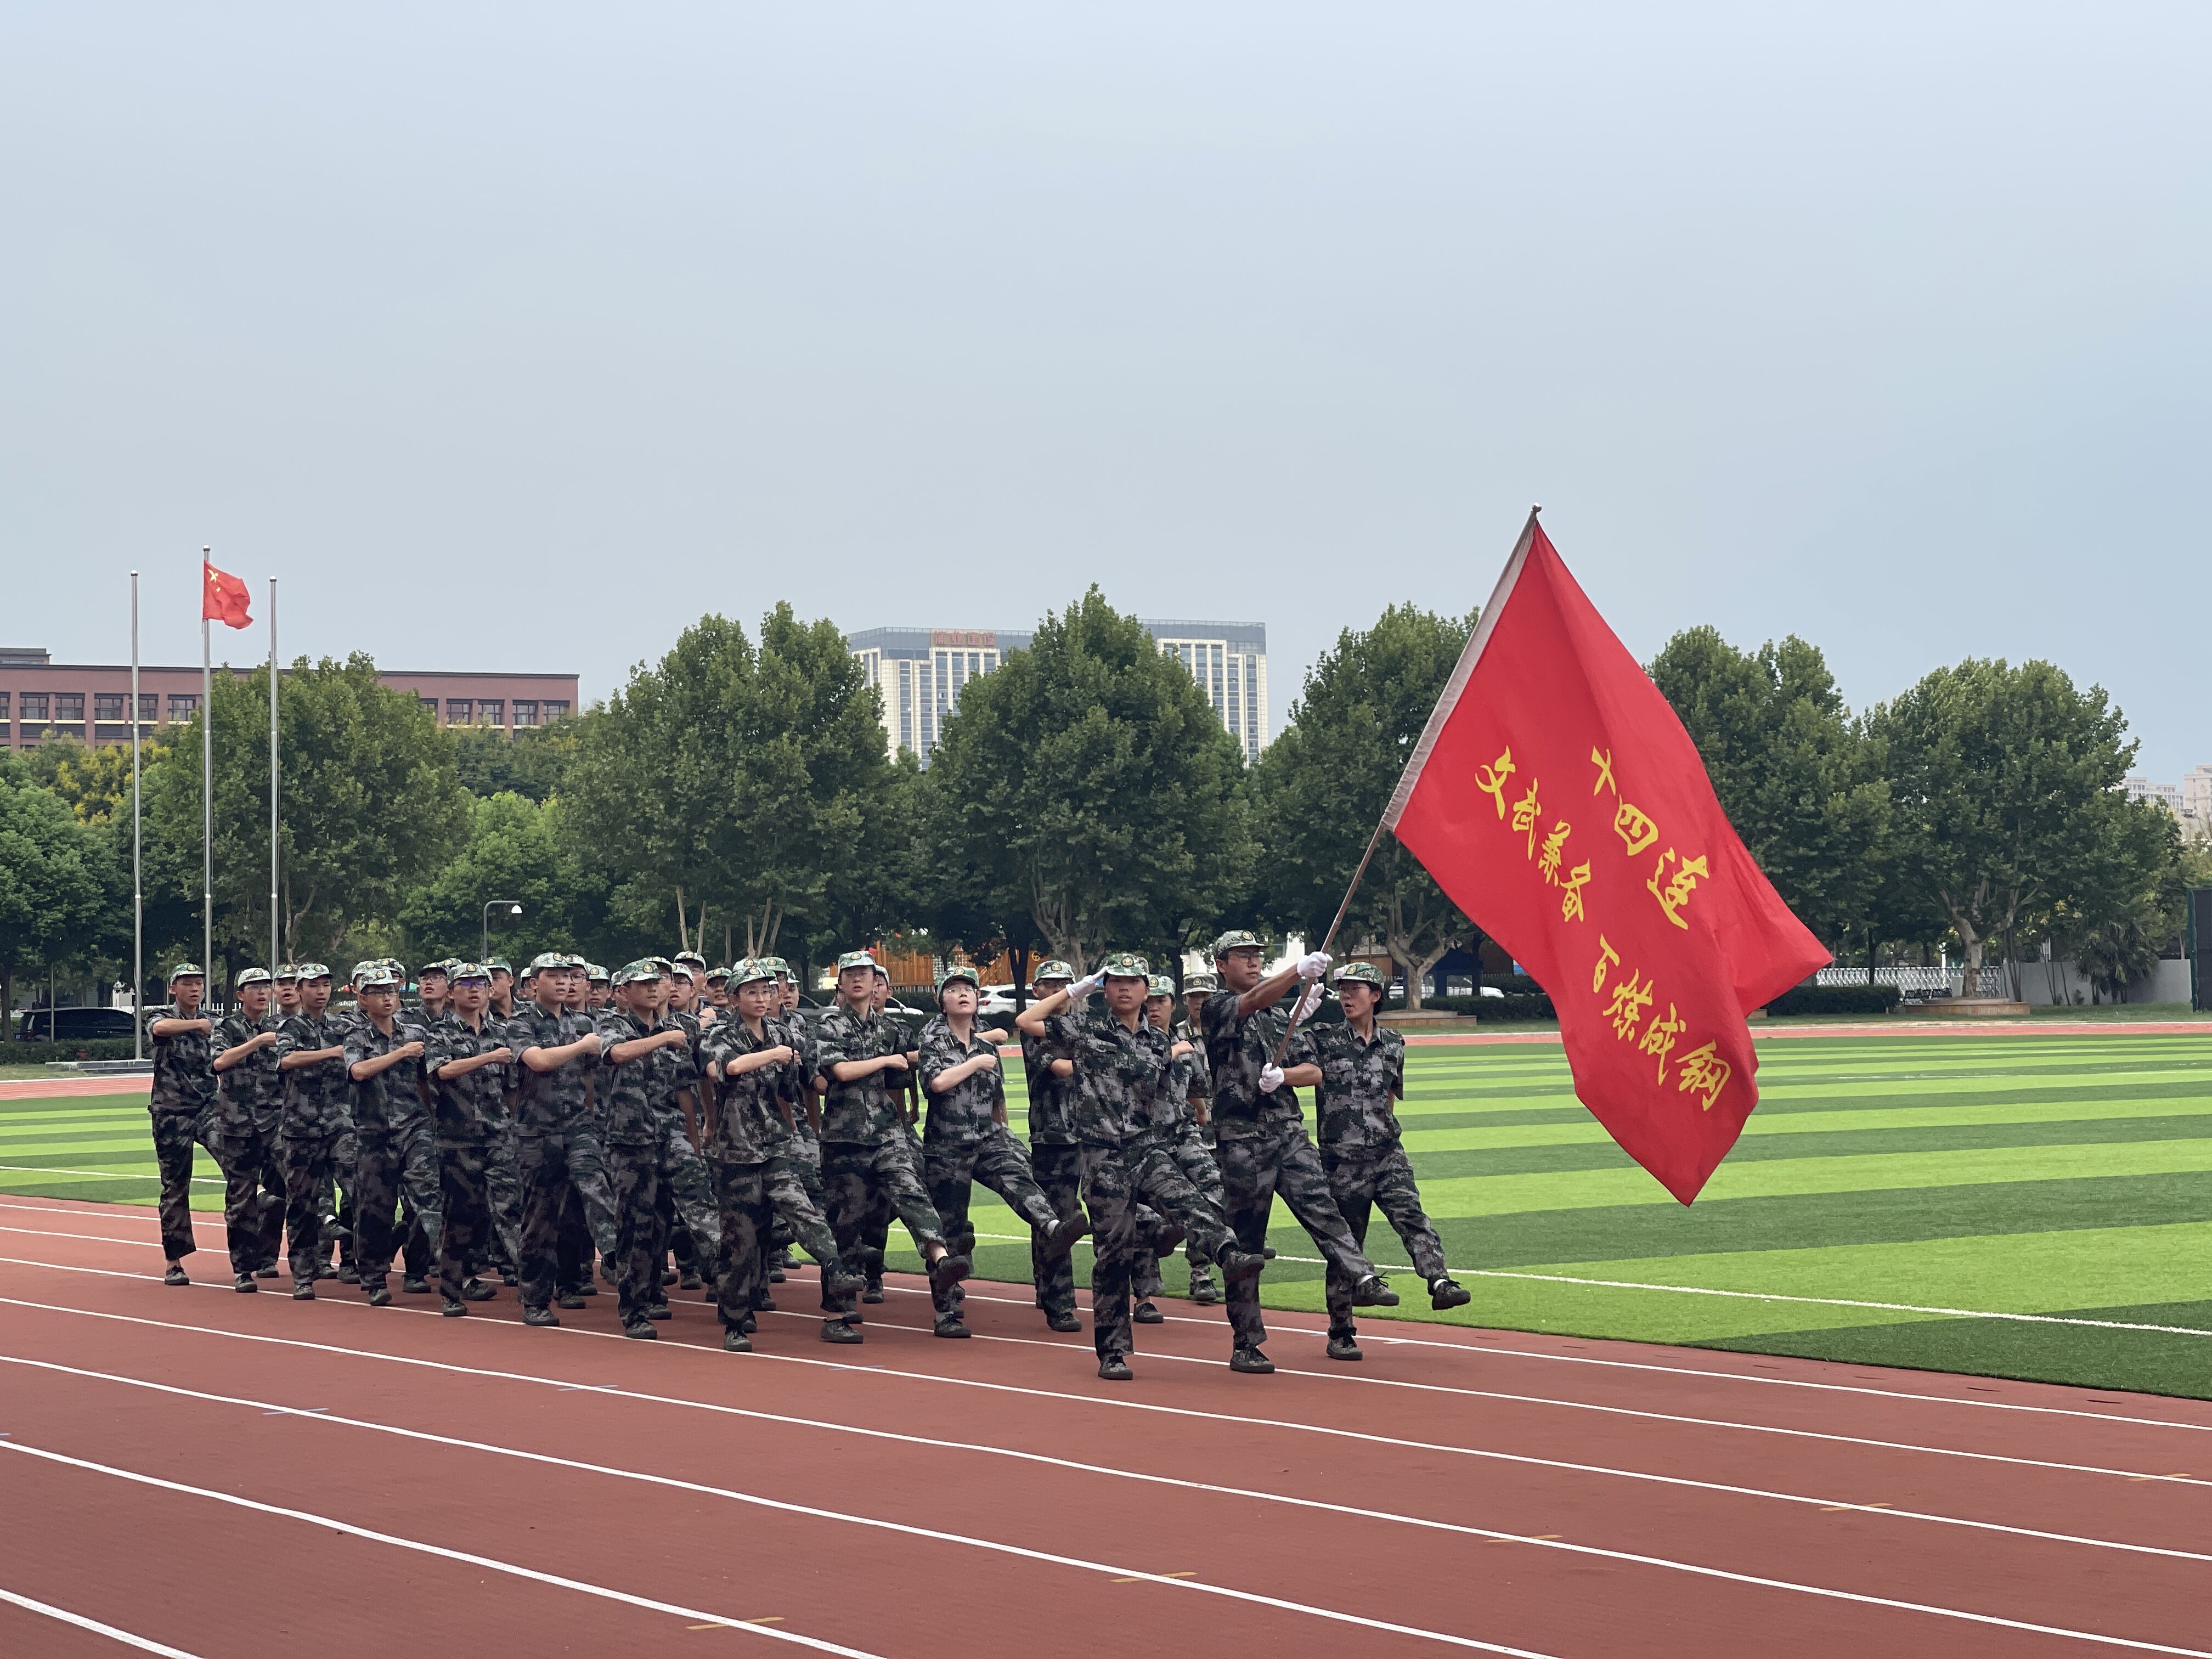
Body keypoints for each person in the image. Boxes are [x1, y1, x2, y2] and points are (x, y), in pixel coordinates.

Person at [1018, 952, 1262, 1381]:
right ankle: (1113, 1352)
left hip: (1147, 1148)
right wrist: (1075, 990)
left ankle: (1228, 1254)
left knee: (1190, 1203)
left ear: (1147, 990)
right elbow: (1026, 1021)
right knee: (1114, 1255)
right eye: (1115, 981)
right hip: (1104, 1156)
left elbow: (1166, 1101)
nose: (1124, 988)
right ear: (1105, 989)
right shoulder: (1086, 1027)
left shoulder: (1158, 1042)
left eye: (1133, 982)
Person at [1200, 932, 1396, 1374]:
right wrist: (1297, 972)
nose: (1253, 962)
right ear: (1222, 965)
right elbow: (1250, 1001)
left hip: (1288, 1132)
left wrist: (1285, 1076)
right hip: (1244, 1139)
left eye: (1257, 956)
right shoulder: (1217, 1007)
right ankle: (1246, 1342)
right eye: (1242, 957)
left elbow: (1315, 1069)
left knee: (1324, 1209)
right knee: (1247, 1246)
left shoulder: (1278, 1019)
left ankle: (1362, 1275)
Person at [703, 961, 866, 1351]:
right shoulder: (720, 1034)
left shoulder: (782, 1033)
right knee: (741, 1243)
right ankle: (735, 1321)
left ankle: (836, 1270)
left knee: (804, 1211)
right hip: (736, 1152)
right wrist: (774, 1055)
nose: (762, 999)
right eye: (752, 992)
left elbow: (796, 1085)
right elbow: (729, 1068)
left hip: (775, 1144)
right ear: (735, 997)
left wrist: (796, 1068)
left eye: (767, 991)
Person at [1310, 963, 1470, 1359]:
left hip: (1386, 1153)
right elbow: (1289, 1053)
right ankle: (1341, 1331)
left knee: (1412, 1217)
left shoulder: (1394, 1044)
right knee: (1348, 1244)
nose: (1347, 996)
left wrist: (1384, 1134)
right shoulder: (1323, 1039)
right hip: (1342, 1160)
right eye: (1342, 989)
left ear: (1376, 995)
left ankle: (1440, 1282)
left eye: (1356, 989)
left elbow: (1389, 1097)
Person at [917, 963, 1086, 1339]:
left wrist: (1004, 1130)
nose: (962, 994)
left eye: (968, 989)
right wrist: (974, 1063)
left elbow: (997, 1099)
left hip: (988, 1137)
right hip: (948, 1146)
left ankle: (1053, 1226)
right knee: (951, 1229)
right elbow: (936, 1083)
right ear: (941, 1001)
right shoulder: (932, 1037)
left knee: (1020, 1179)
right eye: (953, 989)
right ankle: (946, 1311)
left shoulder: (985, 1044)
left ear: (978, 998)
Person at [813, 950, 970, 1344]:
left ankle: (942, 1266)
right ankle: (837, 1314)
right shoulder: (830, 1025)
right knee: (845, 1224)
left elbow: (904, 1075)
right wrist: (888, 1060)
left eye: (865, 974)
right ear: (841, 983)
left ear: (876, 982)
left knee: (914, 1195)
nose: (858, 980)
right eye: (850, 974)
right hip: (844, 1139)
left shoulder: (890, 1028)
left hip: (886, 1133)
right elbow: (840, 1071)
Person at [503, 953, 617, 1328]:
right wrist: (582, 1046)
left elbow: (589, 1077)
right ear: (534, 983)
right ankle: (535, 1298)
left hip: (578, 1126)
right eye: (554, 976)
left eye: (569, 976)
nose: (564, 982)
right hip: (537, 1133)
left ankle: (613, 1254)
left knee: (595, 1185)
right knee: (541, 1218)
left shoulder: (583, 1022)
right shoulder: (521, 1022)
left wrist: (590, 1113)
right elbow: (537, 1061)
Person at [595, 961, 707, 1337]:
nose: (654, 988)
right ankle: (636, 1308)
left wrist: (694, 1137)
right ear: (624, 992)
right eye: (643, 984)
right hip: (630, 1140)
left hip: (672, 1136)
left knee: (701, 1210)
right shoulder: (612, 1023)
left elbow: (684, 1088)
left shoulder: (677, 1028)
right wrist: (662, 1039)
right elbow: (616, 1054)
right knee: (637, 1226)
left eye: (657, 982)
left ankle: (732, 1295)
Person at [1130, 974, 1224, 1316]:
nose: (1155, 1008)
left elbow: (1197, 1089)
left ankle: (1187, 1247)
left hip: (1182, 1134)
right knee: (1140, 1216)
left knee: (1217, 1190)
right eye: (1150, 1001)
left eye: (1162, 1001)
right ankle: (1144, 1297)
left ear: (1173, 1005)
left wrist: (1201, 1115)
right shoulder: (1132, 1043)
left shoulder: (1185, 1044)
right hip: (1143, 1140)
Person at [423, 963, 515, 1316]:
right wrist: (487, 1057)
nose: (474, 989)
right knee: (461, 1215)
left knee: (511, 1210)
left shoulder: (502, 1031)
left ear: (491, 991)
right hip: (457, 1138)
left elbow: (512, 1087)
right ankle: (452, 1291)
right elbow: (443, 1071)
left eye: (481, 983)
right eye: (465, 984)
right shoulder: (440, 1032)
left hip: (498, 1136)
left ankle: (533, 1289)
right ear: (451, 993)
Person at [342, 966, 430, 1307]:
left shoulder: (416, 1031)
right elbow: (358, 1071)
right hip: (374, 1132)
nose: (387, 998)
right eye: (378, 992)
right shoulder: (356, 1035)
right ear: (363, 999)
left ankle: (419, 1269)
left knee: (428, 1198)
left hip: (414, 1128)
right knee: (376, 1209)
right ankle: (375, 1278)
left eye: (391, 991)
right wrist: (400, 1053)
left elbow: (425, 1081)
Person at [273, 964, 353, 1299]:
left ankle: (363, 1260)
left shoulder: (344, 1025)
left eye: (325, 985)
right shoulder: (289, 1026)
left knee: (360, 1185)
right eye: (313, 986)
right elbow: (287, 1060)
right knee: (302, 1205)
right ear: (300, 990)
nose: (321, 991)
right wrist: (332, 1053)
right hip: (301, 1127)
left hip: (340, 1124)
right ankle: (303, 1275)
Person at [207, 967, 287, 1288]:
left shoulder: (281, 1026)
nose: (262, 993)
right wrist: (256, 1042)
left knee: (286, 1189)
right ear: (241, 995)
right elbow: (218, 1062)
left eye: (266, 987)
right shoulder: (227, 1026)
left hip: (275, 1122)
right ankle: (242, 1268)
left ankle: (269, 1257)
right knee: (241, 1197)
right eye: (254, 988)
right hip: (236, 1124)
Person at [1021, 960, 1086, 1332]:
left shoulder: (1081, 1025)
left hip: (1091, 1133)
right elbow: (1061, 1068)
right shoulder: (1037, 1032)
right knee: (1058, 1221)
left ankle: (1047, 1287)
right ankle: (1058, 1300)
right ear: (1038, 990)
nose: (1059, 991)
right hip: (1053, 1137)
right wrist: (1101, 1060)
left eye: (1065, 984)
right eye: (1051, 984)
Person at [145, 962, 217, 1285]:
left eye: (199, 983)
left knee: (240, 1167)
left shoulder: (214, 1021)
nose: (194, 988)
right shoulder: (161, 1015)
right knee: (175, 1186)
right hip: (171, 1113)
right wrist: (196, 1025)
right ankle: (174, 1261)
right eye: (187, 983)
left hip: (208, 1108)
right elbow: (159, 1030)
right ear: (174, 988)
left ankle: (252, 1250)